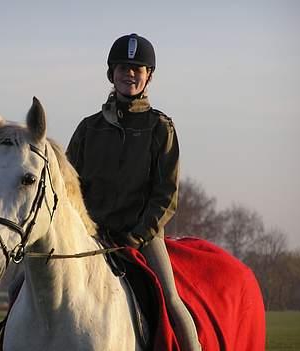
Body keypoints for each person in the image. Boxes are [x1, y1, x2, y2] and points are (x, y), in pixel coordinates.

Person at [66, 33, 201, 351]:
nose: (130, 74)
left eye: (138, 69)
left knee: (170, 298)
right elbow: (69, 186)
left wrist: (137, 235)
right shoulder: (89, 128)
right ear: (111, 73)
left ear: (148, 76)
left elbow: (166, 195)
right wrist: (83, 228)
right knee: (23, 283)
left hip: (143, 236)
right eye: (124, 68)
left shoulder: (160, 128)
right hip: (92, 234)